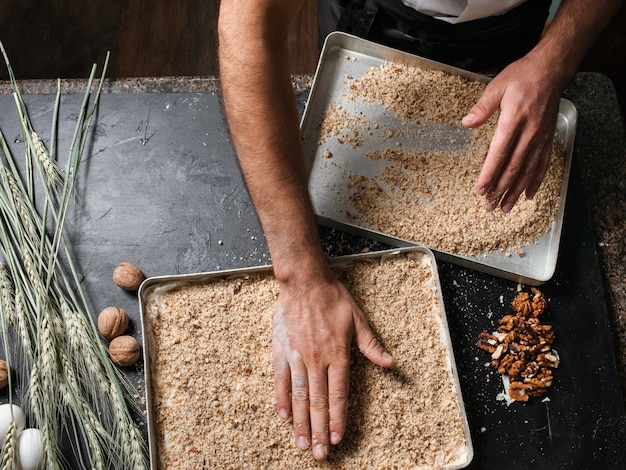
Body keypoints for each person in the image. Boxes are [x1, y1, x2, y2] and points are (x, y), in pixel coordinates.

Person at [217, 0, 623, 461]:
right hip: (379, 24)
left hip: (517, 33)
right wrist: (300, 275)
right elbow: (248, 27)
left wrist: (554, 58)